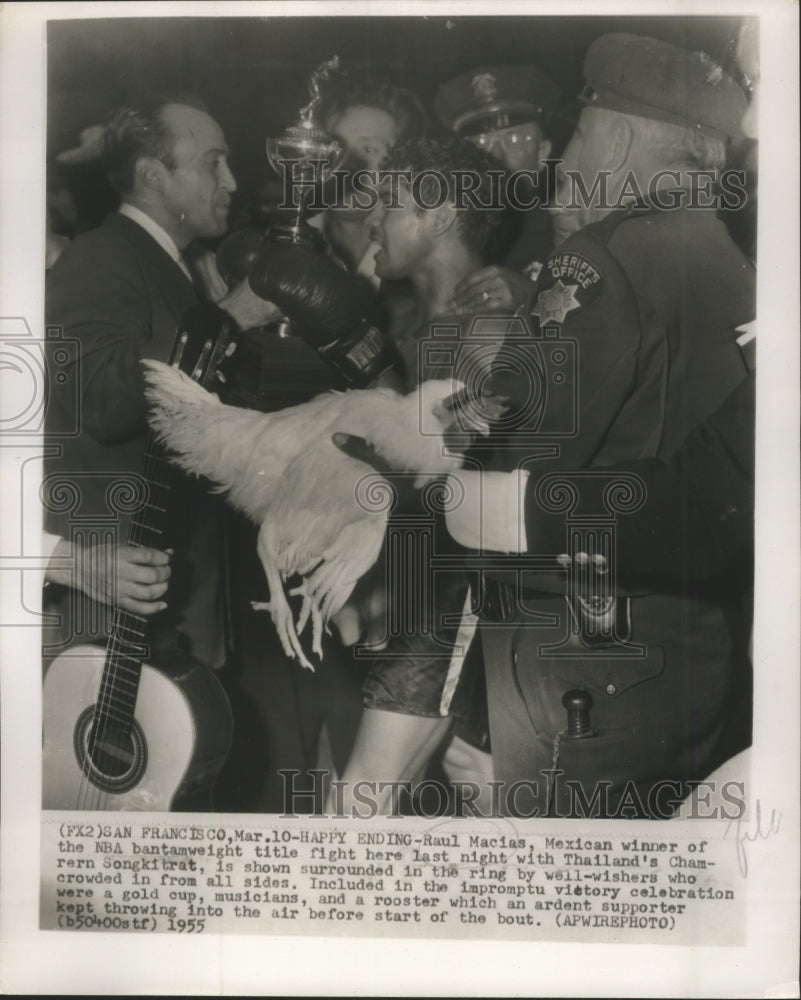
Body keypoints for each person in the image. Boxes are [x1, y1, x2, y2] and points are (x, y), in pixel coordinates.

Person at [43, 95, 277, 669]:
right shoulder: (101, 255)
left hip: (167, 602)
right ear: (152, 175)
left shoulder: (171, 265)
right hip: (112, 605)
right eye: (213, 163)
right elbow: (102, 400)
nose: (231, 181)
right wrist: (230, 319)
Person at [326, 135, 510, 815]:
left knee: (355, 809)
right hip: (411, 595)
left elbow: (448, 482)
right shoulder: (410, 323)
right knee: (464, 800)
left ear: (440, 216)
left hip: (449, 598)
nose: (372, 219)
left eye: (390, 203)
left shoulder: (489, 331)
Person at [435, 65, 562, 314]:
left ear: (542, 154)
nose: (495, 158)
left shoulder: (564, 238)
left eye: (514, 141)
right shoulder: (438, 238)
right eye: (479, 144)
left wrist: (533, 299)